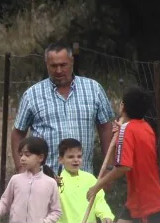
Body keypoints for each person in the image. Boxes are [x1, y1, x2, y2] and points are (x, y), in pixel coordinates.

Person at [12, 43, 115, 175]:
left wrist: (108, 166)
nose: (59, 70)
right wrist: (20, 168)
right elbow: (18, 133)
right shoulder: (32, 95)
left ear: (72, 62)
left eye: (63, 65)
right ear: (46, 64)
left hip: (83, 179)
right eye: (54, 66)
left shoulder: (93, 89)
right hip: (44, 179)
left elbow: (106, 127)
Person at [86, 87, 160, 223]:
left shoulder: (127, 129)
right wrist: (117, 136)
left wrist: (98, 185)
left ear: (123, 106)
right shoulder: (145, 126)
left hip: (147, 202)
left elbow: (124, 166)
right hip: (136, 199)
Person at [0, 136, 62, 223]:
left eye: (27, 155)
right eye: (21, 155)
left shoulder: (50, 183)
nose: (22, 159)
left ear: (40, 157)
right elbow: (4, 201)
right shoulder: (15, 180)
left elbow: (56, 211)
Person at [56, 138, 113, 223]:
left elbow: (99, 201)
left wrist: (105, 215)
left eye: (79, 156)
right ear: (60, 159)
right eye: (70, 157)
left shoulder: (90, 179)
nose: (76, 160)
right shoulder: (57, 182)